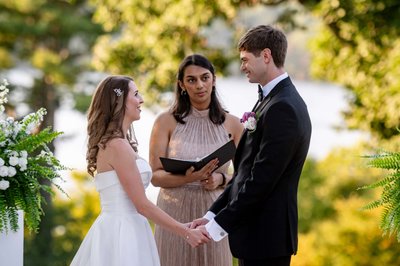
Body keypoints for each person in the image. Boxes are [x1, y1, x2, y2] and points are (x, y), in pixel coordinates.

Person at [191, 25, 312, 266]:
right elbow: (243, 173)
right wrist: (212, 214)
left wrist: (218, 226)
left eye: (246, 59)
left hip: (267, 237)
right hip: (254, 236)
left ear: (266, 56)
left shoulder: (283, 107)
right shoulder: (270, 100)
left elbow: (262, 180)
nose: (242, 66)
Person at [70, 75, 210, 266]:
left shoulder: (120, 143)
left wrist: (184, 226)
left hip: (128, 227)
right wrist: (184, 232)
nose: (141, 99)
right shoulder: (117, 146)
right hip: (122, 233)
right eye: (136, 94)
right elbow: (142, 205)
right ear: (119, 101)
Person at [149, 54, 243, 266]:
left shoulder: (234, 125)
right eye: (191, 80)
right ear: (181, 84)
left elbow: (243, 177)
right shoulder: (165, 122)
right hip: (173, 214)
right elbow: (155, 176)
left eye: (205, 77)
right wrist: (188, 178)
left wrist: (220, 179)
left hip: (213, 214)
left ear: (214, 80)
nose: (199, 85)